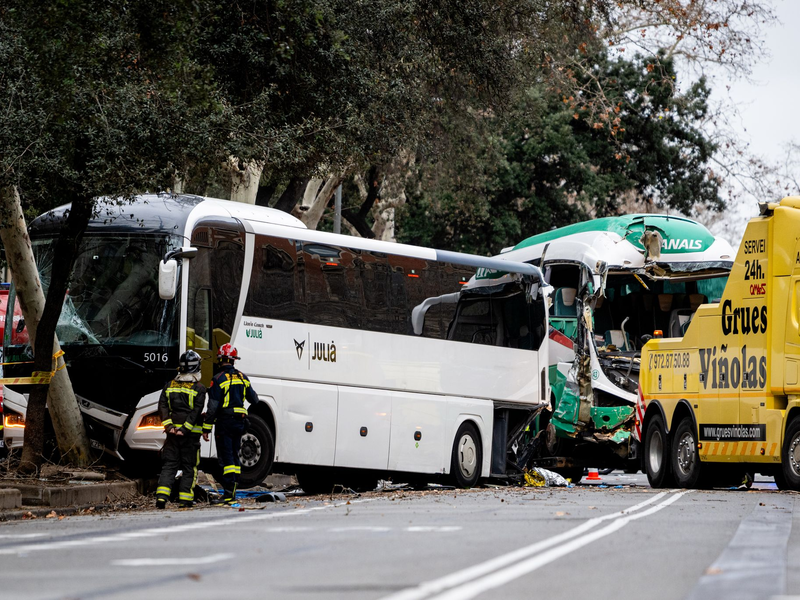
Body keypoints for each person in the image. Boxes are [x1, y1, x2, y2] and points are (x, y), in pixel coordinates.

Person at [204, 343, 259, 505]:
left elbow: (212, 407)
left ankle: (228, 494)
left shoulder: (218, 379)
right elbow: (254, 400)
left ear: (220, 359)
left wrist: (206, 428)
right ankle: (232, 490)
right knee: (235, 455)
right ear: (234, 360)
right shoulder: (243, 377)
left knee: (226, 457)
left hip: (225, 423)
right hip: (240, 423)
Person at [155, 350, 206, 509]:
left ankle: (161, 498)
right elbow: (196, 412)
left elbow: (162, 406)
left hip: (172, 435)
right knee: (189, 467)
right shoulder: (199, 388)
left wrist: (169, 426)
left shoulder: (169, 385)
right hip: (190, 437)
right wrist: (184, 429)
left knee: (169, 465)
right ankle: (185, 500)